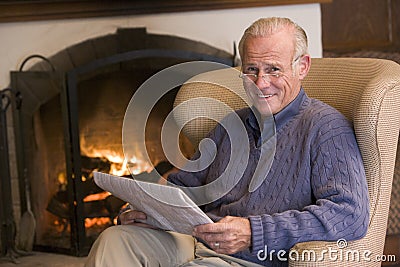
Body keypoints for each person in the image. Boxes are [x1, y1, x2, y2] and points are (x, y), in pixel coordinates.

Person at [85, 17, 369, 266]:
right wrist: (141, 210)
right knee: (116, 240)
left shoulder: (325, 127)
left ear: (302, 67)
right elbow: (185, 187)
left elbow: (350, 215)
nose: (260, 83)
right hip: (197, 241)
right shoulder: (231, 124)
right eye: (251, 70)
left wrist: (253, 232)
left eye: (273, 69)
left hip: (255, 257)